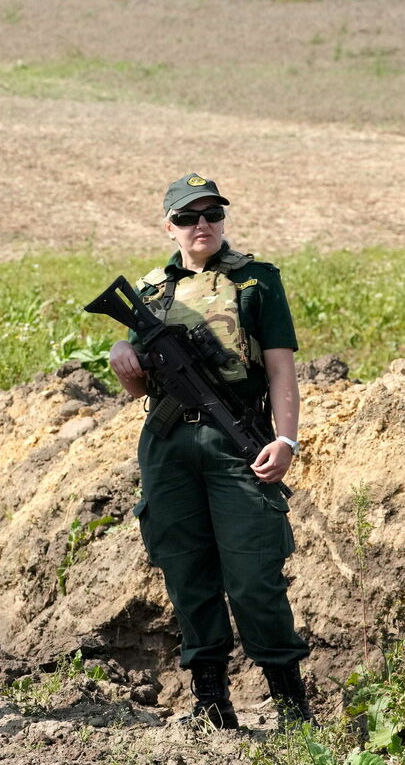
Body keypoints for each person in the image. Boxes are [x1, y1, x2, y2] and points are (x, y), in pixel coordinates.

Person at [108, 173, 315, 730]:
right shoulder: (152, 292)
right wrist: (124, 354)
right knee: (187, 574)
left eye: (211, 215)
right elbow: (140, 390)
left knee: (253, 577)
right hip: (169, 446)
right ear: (168, 225)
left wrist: (287, 439)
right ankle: (211, 703)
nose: (201, 226)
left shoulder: (256, 281)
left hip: (239, 443)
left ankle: (292, 708)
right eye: (187, 217)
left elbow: (280, 369)